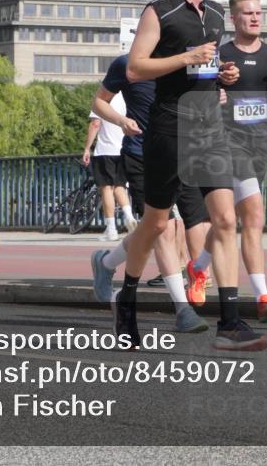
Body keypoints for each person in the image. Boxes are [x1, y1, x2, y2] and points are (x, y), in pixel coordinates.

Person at [118, 0, 267, 351]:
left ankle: (230, 324)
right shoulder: (160, 11)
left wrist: (223, 74)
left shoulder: (218, 14)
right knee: (157, 223)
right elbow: (135, 69)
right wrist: (186, 58)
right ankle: (127, 302)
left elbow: (206, 68)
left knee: (225, 220)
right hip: (170, 128)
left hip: (210, 130)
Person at [186, 0, 267, 322]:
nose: (254, 18)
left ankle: (197, 268)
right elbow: (195, 102)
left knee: (228, 221)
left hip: (259, 147)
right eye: (248, 13)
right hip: (225, 144)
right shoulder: (220, 55)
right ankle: (262, 295)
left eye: (258, 13)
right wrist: (216, 89)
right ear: (233, 19)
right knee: (254, 216)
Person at [89, 53, 208, 333]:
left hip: (183, 153)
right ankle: (182, 309)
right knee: (163, 229)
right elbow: (99, 102)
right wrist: (121, 121)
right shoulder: (127, 63)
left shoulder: (188, 61)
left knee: (186, 225)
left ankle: (106, 263)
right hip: (141, 155)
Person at [83, 94, 137, 241]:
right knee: (120, 187)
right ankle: (129, 217)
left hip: (105, 150)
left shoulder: (102, 98)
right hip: (123, 148)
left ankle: (111, 229)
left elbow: (95, 123)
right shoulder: (126, 97)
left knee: (106, 188)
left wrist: (87, 148)